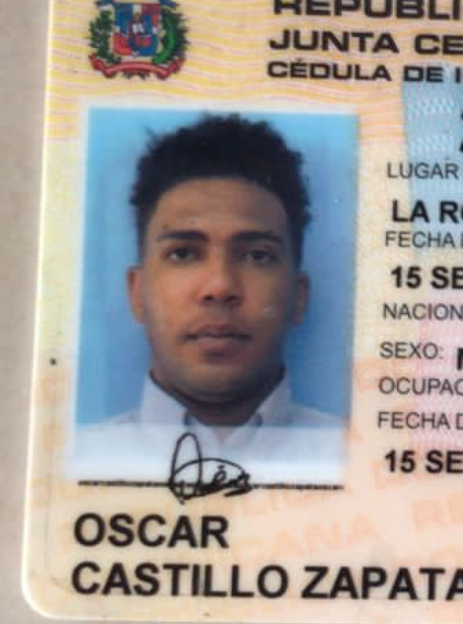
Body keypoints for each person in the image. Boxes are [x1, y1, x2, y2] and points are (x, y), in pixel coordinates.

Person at [75, 113, 346, 484]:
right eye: (183, 253)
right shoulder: (74, 463)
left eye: (257, 256)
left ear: (298, 298)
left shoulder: (362, 459)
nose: (219, 286)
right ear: (137, 292)